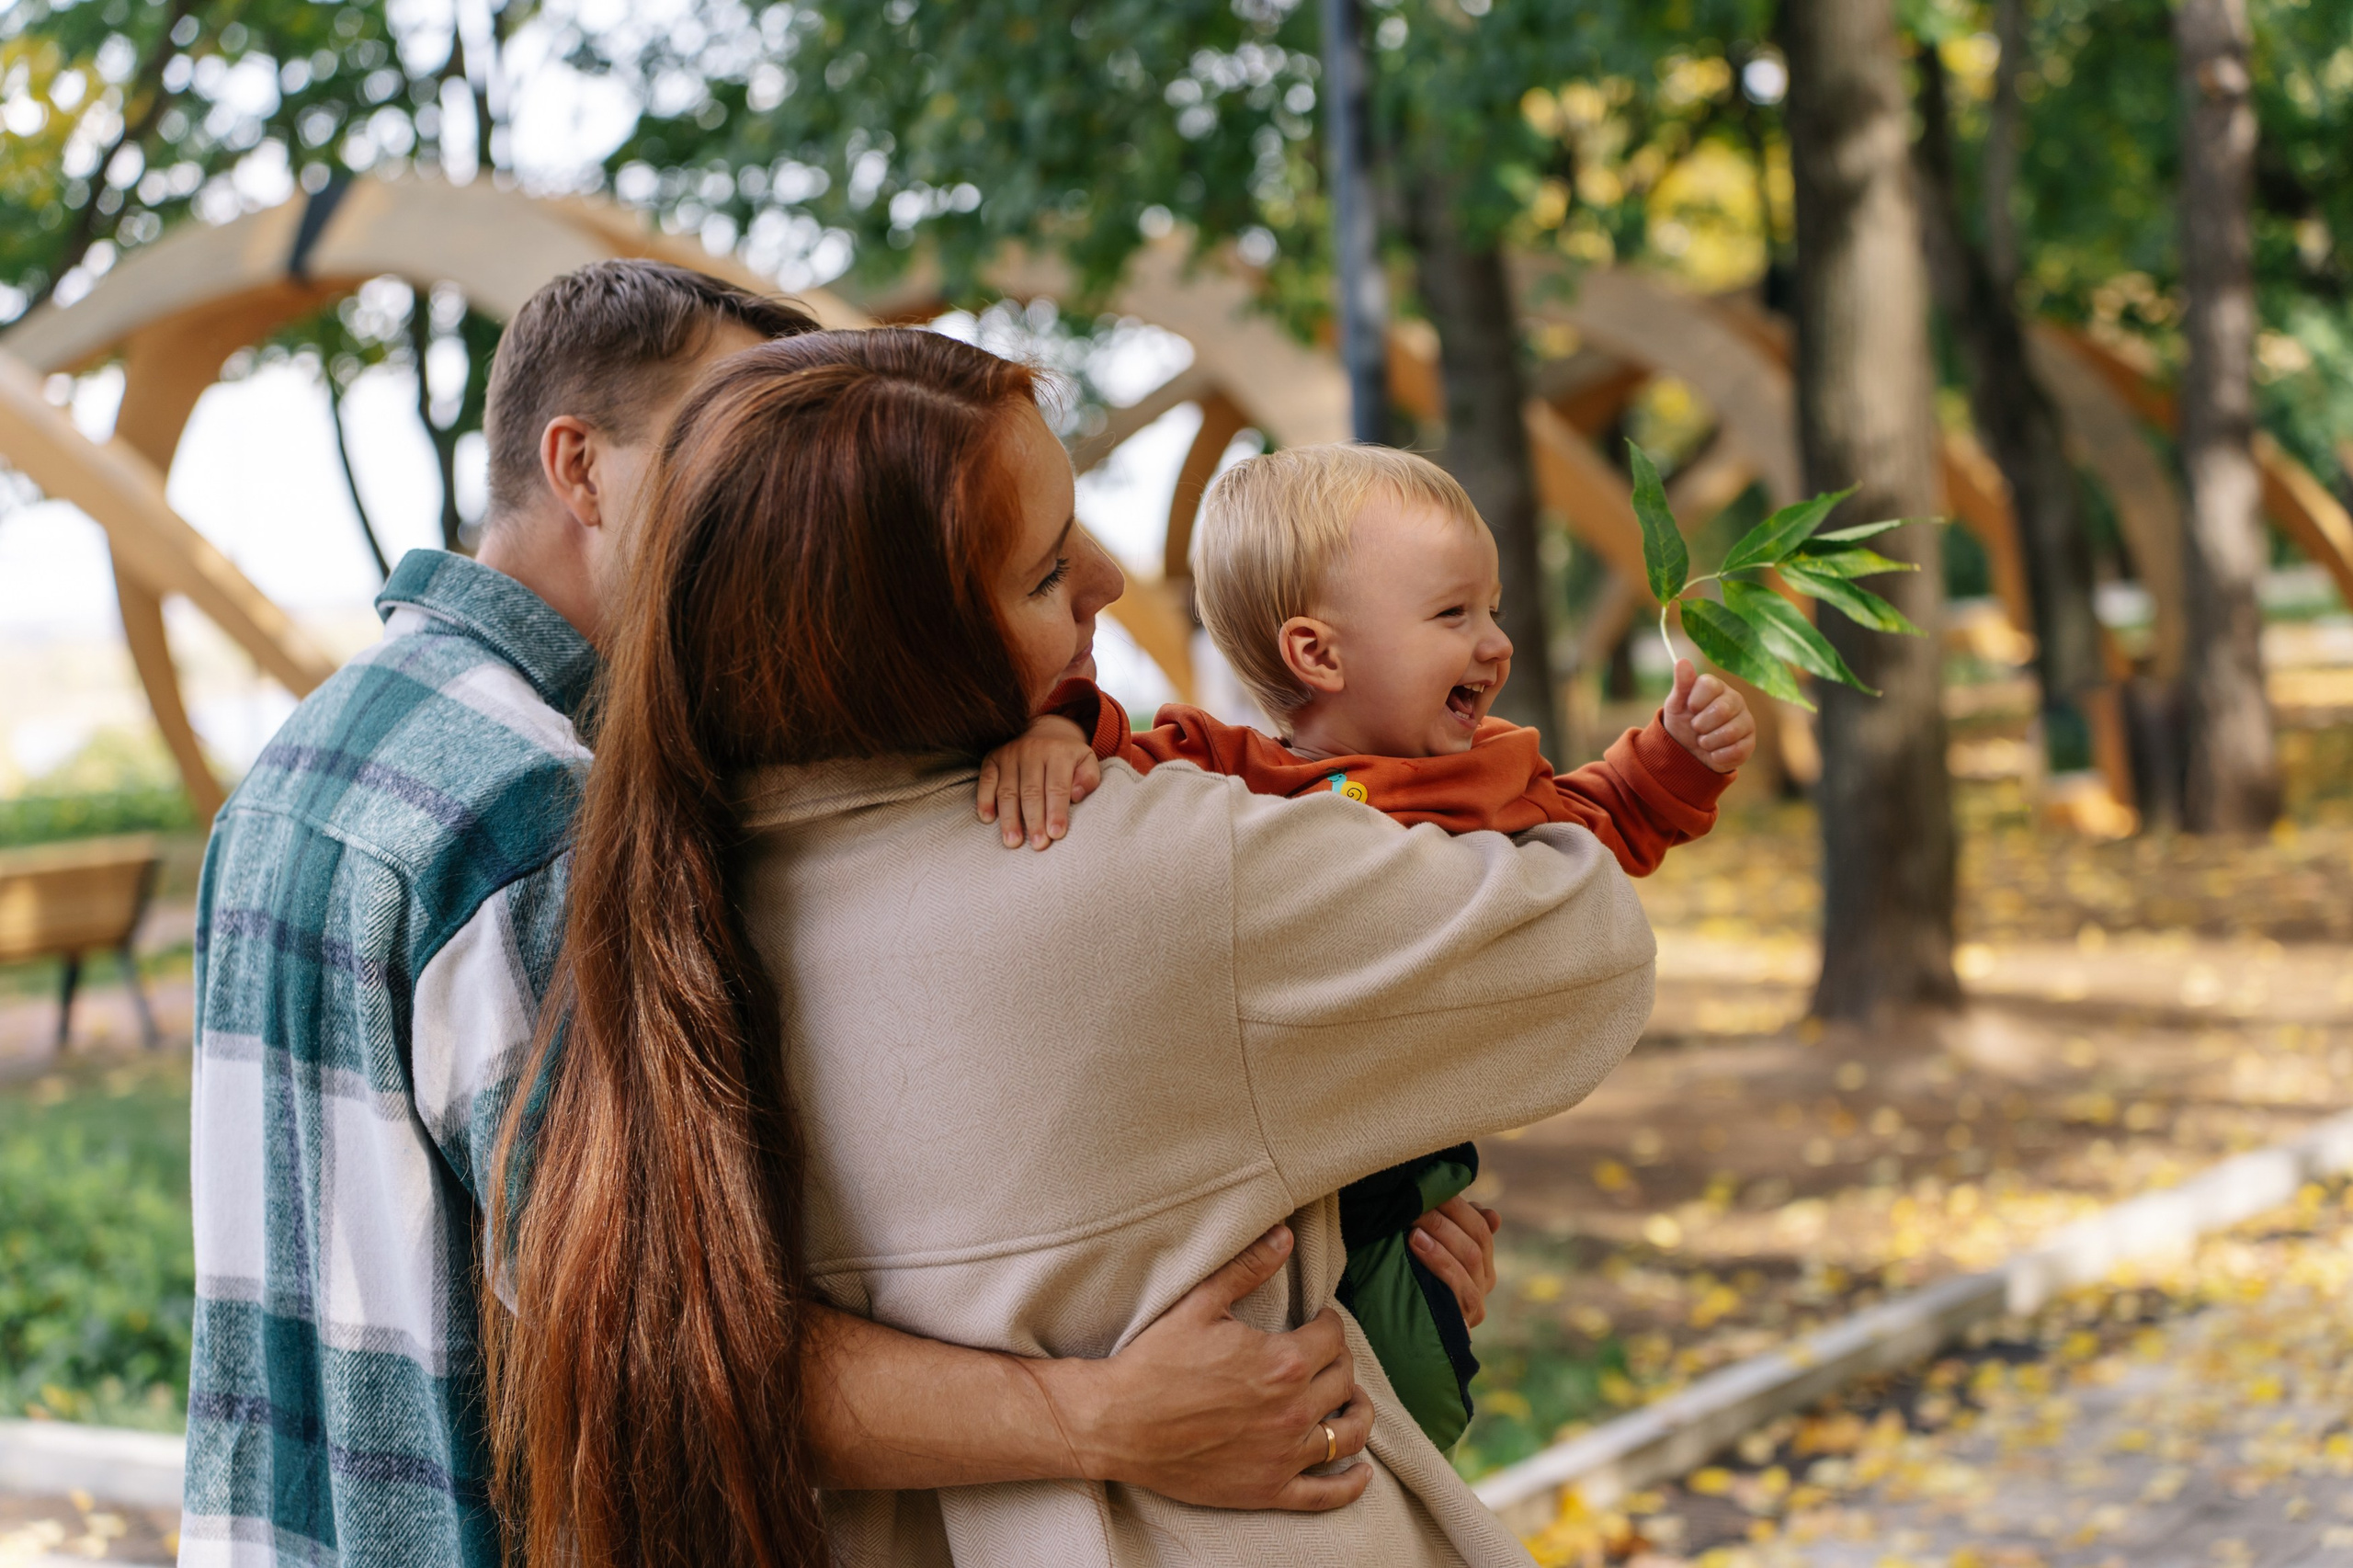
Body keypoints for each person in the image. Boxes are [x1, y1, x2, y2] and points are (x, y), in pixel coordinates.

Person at [180, 260, 1439, 1567]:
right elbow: (660, 1339)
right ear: (580, 467)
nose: (768, 488)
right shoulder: (545, 815)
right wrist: (1100, 1417)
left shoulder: (311, 756)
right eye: (719, 442)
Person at [490, 326, 1665, 1565]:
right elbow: (1584, 946)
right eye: (1050, 569)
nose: (1109, 577)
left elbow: (683, 1345)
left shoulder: (640, 907)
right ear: (906, 640)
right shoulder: (1161, 872)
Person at [976, 440, 1756, 1448]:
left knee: (1419, 1386)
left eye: (1491, 608)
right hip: (1265, 1153)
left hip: (1406, 1162)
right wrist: (1055, 734)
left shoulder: (1496, 772)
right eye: (1454, 614)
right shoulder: (1232, 774)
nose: (1495, 643)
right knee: (1285, 1348)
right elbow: (1122, 749)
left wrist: (1673, 760)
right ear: (1318, 654)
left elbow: (1602, 827)